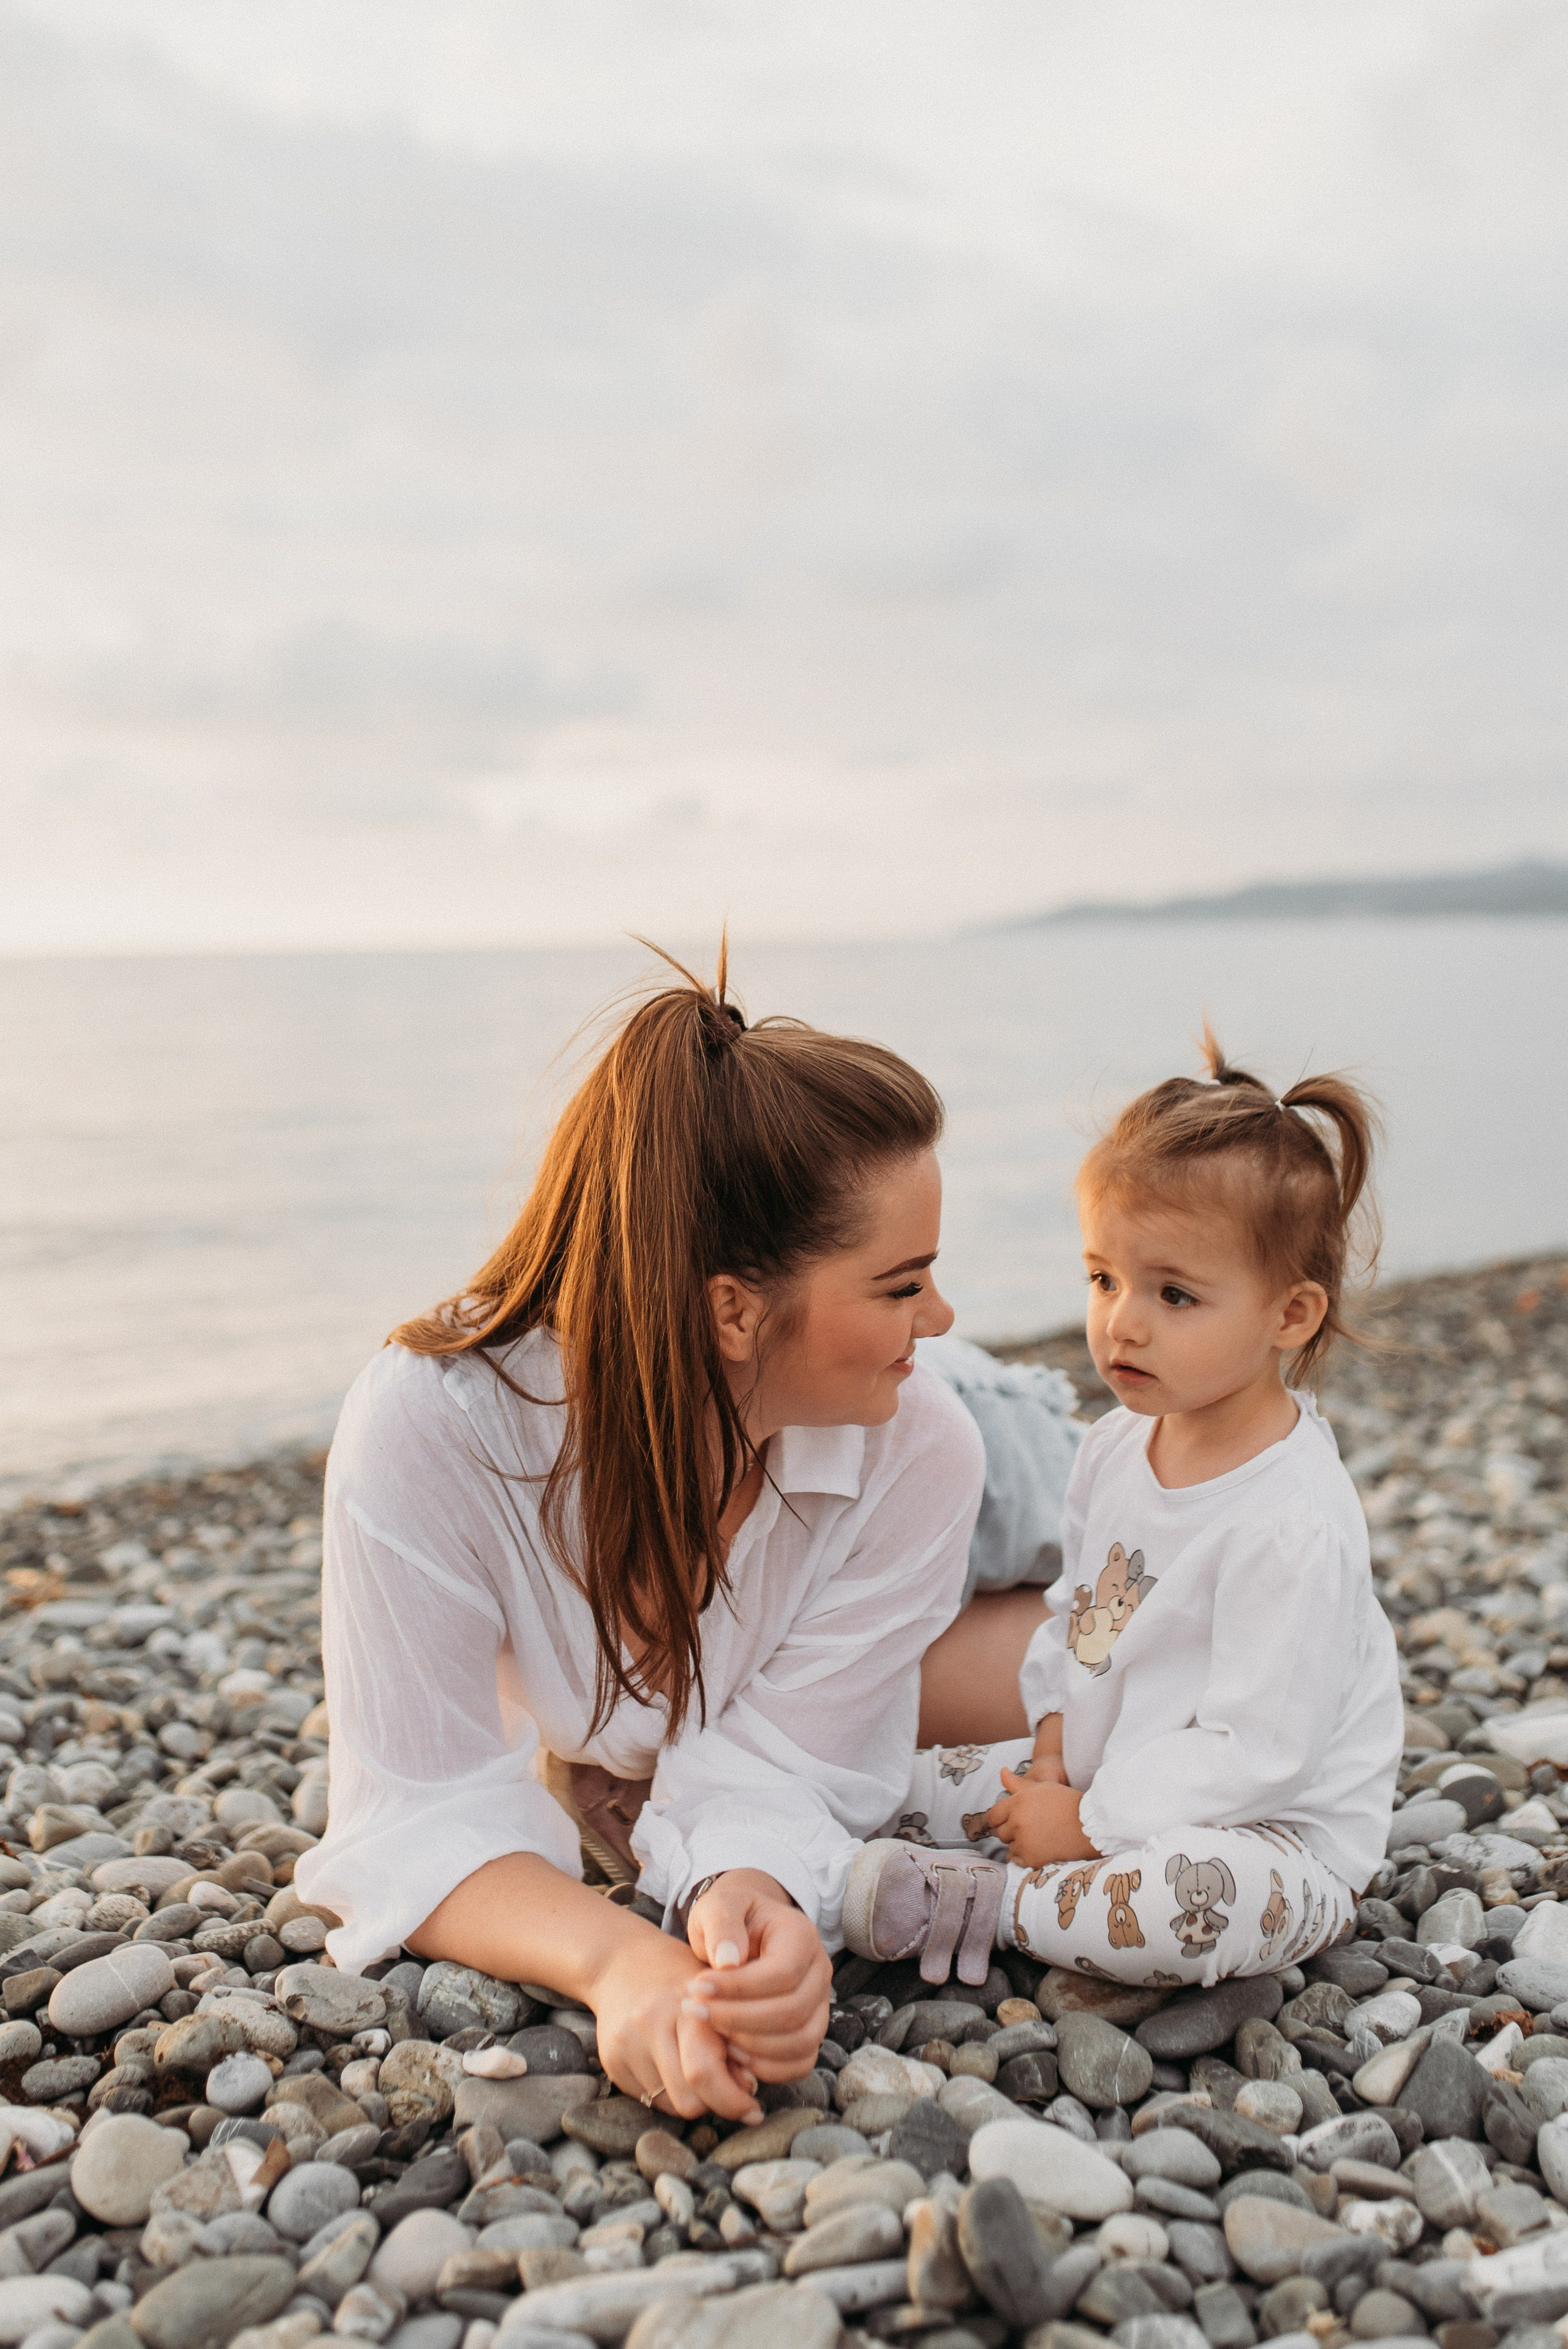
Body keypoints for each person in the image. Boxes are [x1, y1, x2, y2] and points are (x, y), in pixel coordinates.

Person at [295, 951, 990, 2125]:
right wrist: (627, 1962)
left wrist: (745, 1881)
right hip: (809, 1412)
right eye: (901, 1285)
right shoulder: (429, 1429)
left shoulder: (925, 1443)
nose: (942, 1314)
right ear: (732, 1308)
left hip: (996, 1479)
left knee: (1116, 1662)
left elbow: (791, 1769)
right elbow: (410, 1816)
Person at [843, 1031, 1403, 1989]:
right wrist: (1053, 1750)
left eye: (1174, 1295)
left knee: (1188, 1908)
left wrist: (1091, 1823)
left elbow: (1262, 1752)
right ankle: (806, 1845)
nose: (1122, 1324)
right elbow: (1076, 1617)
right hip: (1105, 1771)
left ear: (1290, 1316)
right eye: (1104, 1279)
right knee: (897, 1774)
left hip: (1270, 1836)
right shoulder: (1114, 1447)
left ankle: (991, 1904)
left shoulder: (1290, 1520)